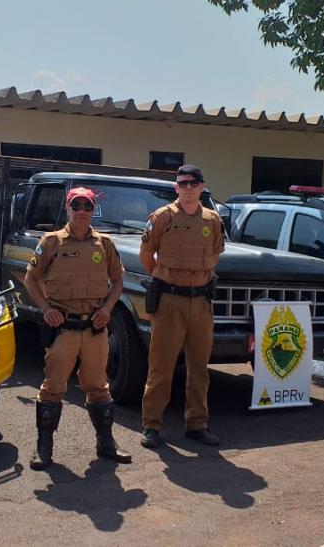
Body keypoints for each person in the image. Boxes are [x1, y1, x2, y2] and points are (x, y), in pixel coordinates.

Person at [24, 187, 132, 470]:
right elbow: (30, 280)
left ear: (93, 209)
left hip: (94, 329)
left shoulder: (104, 244)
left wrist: (107, 309)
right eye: (76, 205)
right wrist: (46, 310)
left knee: (98, 387)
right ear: (67, 208)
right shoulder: (51, 242)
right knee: (53, 388)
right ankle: (44, 447)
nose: (82, 210)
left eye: (87, 205)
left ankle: (106, 443)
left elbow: (118, 282)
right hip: (64, 330)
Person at [139, 164, 225, 448]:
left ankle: (197, 424)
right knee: (161, 366)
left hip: (201, 301)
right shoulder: (162, 217)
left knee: (199, 367)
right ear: (176, 187)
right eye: (183, 183)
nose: (188, 188)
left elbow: (215, 255)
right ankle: (152, 425)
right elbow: (146, 254)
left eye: (194, 183)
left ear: (202, 187)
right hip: (170, 301)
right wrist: (165, 279)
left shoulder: (212, 220)